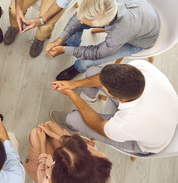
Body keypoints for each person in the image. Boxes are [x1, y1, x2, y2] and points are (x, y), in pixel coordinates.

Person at [50, 60, 178, 154]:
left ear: (119, 99)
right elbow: (101, 77)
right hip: (164, 114)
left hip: (147, 143)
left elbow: (98, 125)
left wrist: (73, 95)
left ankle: (69, 124)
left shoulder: (127, 124)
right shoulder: (142, 68)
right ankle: (89, 97)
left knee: (74, 118)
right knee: (92, 71)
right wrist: (74, 84)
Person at [45, 0, 160, 81]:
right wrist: (60, 39)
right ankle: (71, 43)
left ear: (106, 23)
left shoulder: (118, 34)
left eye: (86, 20)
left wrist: (64, 51)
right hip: (143, 10)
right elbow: (77, 19)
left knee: (89, 61)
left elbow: (97, 53)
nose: (81, 21)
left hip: (142, 38)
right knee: (76, 22)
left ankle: (77, 68)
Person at [26, 121, 112, 183]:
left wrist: (42, 142)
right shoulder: (100, 159)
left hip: (44, 168)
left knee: (35, 134)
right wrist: (53, 134)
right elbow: (75, 145)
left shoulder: (49, 179)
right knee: (48, 125)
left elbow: (41, 169)